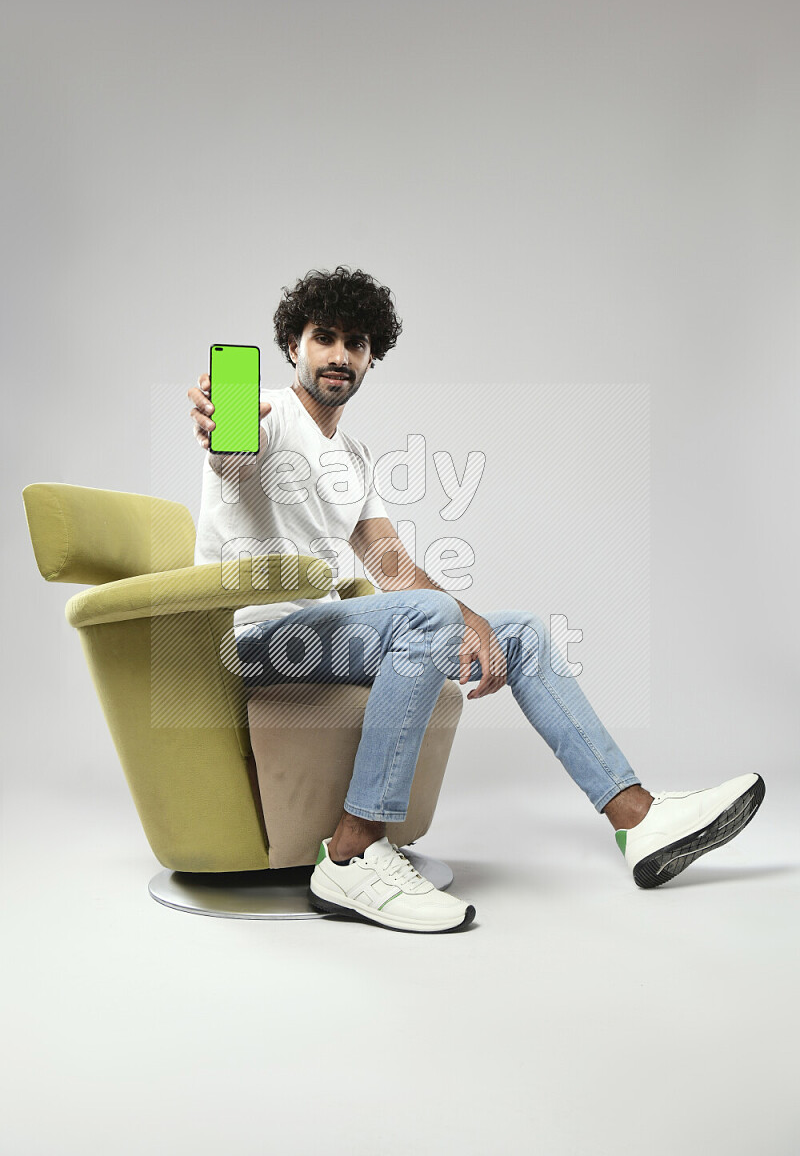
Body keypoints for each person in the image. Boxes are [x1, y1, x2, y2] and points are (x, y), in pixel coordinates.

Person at [188, 265, 765, 934]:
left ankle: (637, 817)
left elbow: (393, 568)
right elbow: (231, 452)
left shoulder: (354, 455)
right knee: (436, 617)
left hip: (318, 633)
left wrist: (476, 625)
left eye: (357, 343)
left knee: (516, 633)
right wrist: (217, 421)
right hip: (259, 639)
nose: (341, 356)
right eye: (325, 338)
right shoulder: (261, 414)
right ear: (294, 345)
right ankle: (352, 854)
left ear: (373, 357)